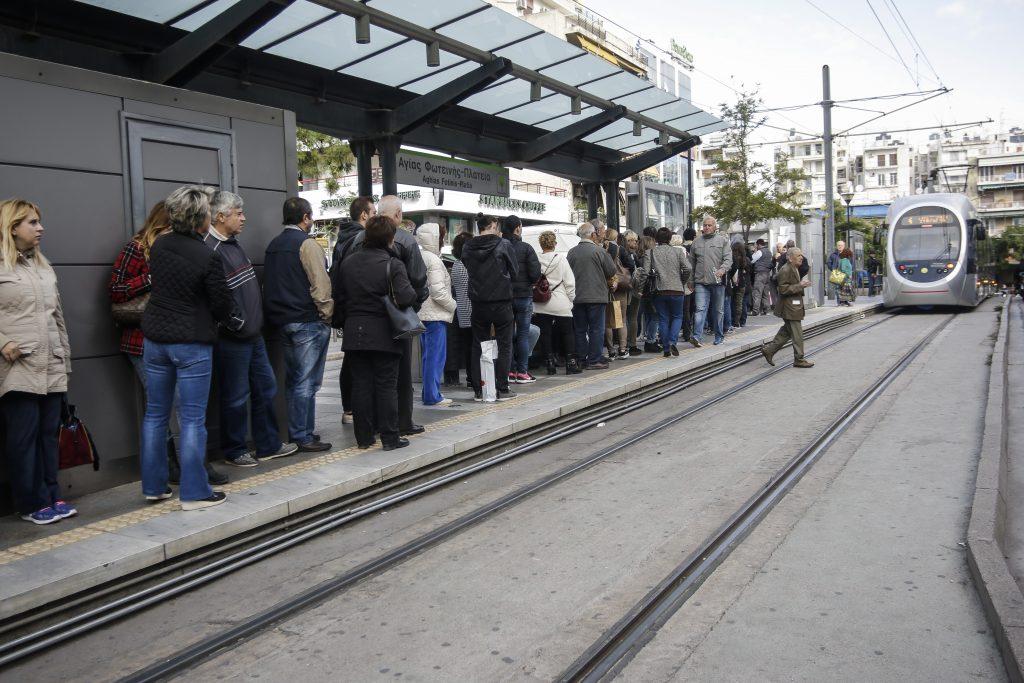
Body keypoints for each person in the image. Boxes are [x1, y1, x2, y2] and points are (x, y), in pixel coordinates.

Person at [141, 186, 242, 510]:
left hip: (155, 339)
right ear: (202, 219)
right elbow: (221, 302)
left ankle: (154, 486)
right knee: (192, 419)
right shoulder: (207, 256)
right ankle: (195, 491)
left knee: (155, 415)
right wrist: (230, 320)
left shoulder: (159, 245)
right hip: (191, 343)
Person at [109, 201, 204, 485]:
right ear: (163, 224)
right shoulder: (136, 249)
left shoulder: (178, 249)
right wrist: (151, 277)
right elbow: (116, 290)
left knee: (173, 405)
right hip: (142, 341)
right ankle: (171, 467)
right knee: (165, 406)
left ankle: (173, 470)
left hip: (175, 337)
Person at [205, 191, 296, 467]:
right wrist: (237, 325)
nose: (244, 218)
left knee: (265, 388)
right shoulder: (211, 249)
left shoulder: (233, 244)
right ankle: (234, 449)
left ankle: (267, 444)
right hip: (233, 337)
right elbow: (215, 298)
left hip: (253, 335)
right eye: (238, 213)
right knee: (235, 395)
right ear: (221, 217)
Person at [0, 199, 75, 524]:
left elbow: (58, 318)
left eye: (39, 221)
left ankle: (52, 494)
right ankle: (31, 502)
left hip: (51, 364)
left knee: (48, 435)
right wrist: (4, 343)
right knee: (23, 437)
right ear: (12, 227)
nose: (40, 227)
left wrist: (65, 361)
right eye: (32, 222)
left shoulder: (44, 267)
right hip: (18, 367)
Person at [347, 196, 428, 435]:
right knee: (395, 378)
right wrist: (411, 308)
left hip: (357, 324)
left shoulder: (355, 242)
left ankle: (366, 433)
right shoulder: (404, 242)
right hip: (392, 322)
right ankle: (398, 426)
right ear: (398, 215)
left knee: (363, 381)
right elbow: (418, 280)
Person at [334, 215, 415, 450]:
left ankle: (364, 438)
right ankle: (390, 438)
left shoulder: (348, 263)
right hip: (384, 334)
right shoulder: (392, 264)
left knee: (360, 385)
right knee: (386, 385)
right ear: (390, 239)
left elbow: (339, 294)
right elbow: (407, 297)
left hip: (354, 333)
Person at [263, 197, 333, 453]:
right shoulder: (307, 245)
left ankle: (299, 431)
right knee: (307, 382)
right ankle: (303, 435)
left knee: (293, 380)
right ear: (305, 217)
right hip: (306, 321)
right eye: (311, 216)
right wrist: (326, 314)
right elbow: (320, 286)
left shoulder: (274, 245)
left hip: (282, 322)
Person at [329, 195, 375, 426]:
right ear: (364, 215)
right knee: (357, 361)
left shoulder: (342, 237)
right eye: (373, 213)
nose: (375, 218)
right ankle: (353, 409)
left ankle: (349, 408)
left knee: (351, 357)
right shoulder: (359, 237)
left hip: (345, 305)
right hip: (356, 306)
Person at [462, 213, 518, 401]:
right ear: (493, 226)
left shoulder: (468, 246)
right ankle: (502, 387)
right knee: (504, 344)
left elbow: (467, 265)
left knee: (478, 343)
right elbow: (515, 271)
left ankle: (480, 389)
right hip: (502, 301)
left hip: (478, 301)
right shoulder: (504, 245)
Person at [414, 222, 457, 406]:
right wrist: (453, 305)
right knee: (435, 357)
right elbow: (438, 291)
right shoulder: (434, 260)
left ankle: (429, 393)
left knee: (427, 357)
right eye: (441, 236)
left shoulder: (418, 256)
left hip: (422, 314)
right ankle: (433, 395)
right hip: (435, 315)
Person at [635, 228, 692, 357]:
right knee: (677, 317)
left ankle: (666, 348)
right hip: (677, 290)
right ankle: (672, 341)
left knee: (663, 318)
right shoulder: (678, 252)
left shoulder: (650, 252)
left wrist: (640, 289)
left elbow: (644, 273)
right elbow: (688, 268)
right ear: (670, 238)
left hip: (659, 290)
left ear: (656, 239)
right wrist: (681, 280)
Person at [567, 221, 617, 370]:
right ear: (593, 234)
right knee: (596, 328)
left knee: (580, 329)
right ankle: (594, 359)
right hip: (596, 296)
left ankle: (582, 358)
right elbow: (611, 271)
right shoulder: (599, 251)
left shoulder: (571, 252)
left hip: (577, 297)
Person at [501, 215, 541, 384]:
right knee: (523, 334)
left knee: (507, 335)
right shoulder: (526, 248)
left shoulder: (499, 246)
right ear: (517, 228)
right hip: (524, 296)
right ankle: (522, 372)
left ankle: (509, 371)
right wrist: (530, 283)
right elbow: (535, 273)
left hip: (505, 297)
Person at [761, 247, 814, 369]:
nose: (802, 257)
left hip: (793, 306)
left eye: (801, 255)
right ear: (790, 258)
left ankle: (769, 350)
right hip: (789, 307)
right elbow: (783, 289)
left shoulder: (794, 268)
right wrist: (800, 285)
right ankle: (799, 359)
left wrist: (801, 285)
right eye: (799, 255)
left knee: (786, 332)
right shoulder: (785, 270)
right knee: (797, 334)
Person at [533, 230, 578, 375]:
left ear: (540, 244)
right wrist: (570, 300)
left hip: (541, 303)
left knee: (545, 334)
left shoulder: (536, 260)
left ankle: (550, 363)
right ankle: (571, 364)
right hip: (560, 302)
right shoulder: (561, 259)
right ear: (555, 244)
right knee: (567, 332)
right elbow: (569, 283)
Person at [689, 216, 732, 347]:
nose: (706, 227)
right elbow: (691, 263)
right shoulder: (696, 242)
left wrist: (723, 270)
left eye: (709, 225)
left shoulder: (723, 241)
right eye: (705, 225)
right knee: (700, 309)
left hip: (718, 282)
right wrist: (690, 281)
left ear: (715, 227)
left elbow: (728, 259)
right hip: (700, 282)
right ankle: (697, 336)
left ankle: (719, 336)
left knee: (718, 310)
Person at [446, 232, 474, 388]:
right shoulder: (469, 265)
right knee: (474, 347)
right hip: (473, 311)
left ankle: (471, 377)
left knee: (468, 346)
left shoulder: (456, 265)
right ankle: (474, 377)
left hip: (462, 312)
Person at [604, 228, 633, 359]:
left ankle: (611, 351)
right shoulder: (619, 249)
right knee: (621, 320)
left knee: (607, 322)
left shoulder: (600, 248)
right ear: (616, 238)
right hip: (620, 288)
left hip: (605, 288)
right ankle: (622, 349)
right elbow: (631, 266)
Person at [622, 230, 643, 356]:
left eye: (634, 240)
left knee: (629, 317)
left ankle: (627, 344)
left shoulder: (628, 254)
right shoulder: (633, 255)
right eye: (630, 240)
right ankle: (630, 345)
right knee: (630, 317)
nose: (633, 243)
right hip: (630, 289)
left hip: (627, 288)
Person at [727, 241, 749, 331]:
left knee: (731, 303)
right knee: (740, 303)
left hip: (732, 283)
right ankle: (739, 321)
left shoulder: (731, 259)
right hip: (742, 283)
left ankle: (732, 321)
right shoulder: (745, 259)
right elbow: (748, 270)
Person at [681, 227, 698, 343]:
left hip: (683, 282)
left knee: (684, 309)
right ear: (694, 236)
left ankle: (685, 331)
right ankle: (692, 331)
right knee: (693, 308)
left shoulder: (680, 248)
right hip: (694, 281)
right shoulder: (695, 247)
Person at [749, 238, 773, 315]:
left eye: (756, 245)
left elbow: (751, 260)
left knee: (757, 292)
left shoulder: (760, 252)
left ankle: (756, 311)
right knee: (765, 293)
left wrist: (754, 250)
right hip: (767, 274)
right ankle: (767, 310)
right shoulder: (769, 252)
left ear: (759, 245)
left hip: (760, 274)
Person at [827, 240, 847, 304]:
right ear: (836, 246)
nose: (840, 246)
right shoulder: (833, 255)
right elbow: (828, 263)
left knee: (845, 287)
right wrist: (833, 269)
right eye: (838, 245)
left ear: (844, 246)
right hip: (837, 273)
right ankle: (839, 302)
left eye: (841, 245)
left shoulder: (847, 254)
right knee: (838, 288)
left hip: (845, 273)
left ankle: (845, 301)